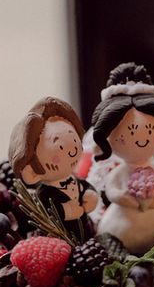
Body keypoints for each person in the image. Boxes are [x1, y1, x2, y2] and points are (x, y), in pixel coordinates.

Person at [91, 63, 154, 254]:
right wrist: (127, 199)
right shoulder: (120, 171)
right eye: (128, 135)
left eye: (152, 132)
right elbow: (112, 191)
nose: (142, 140)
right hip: (120, 230)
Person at [8, 97, 98, 241]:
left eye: (75, 140)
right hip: (60, 242)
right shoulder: (44, 192)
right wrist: (66, 211)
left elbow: (85, 186)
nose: (72, 151)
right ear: (31, 172)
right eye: (60, 147)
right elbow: (46, 211)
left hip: (87, 234)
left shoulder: (74, 180)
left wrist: (90, 195)